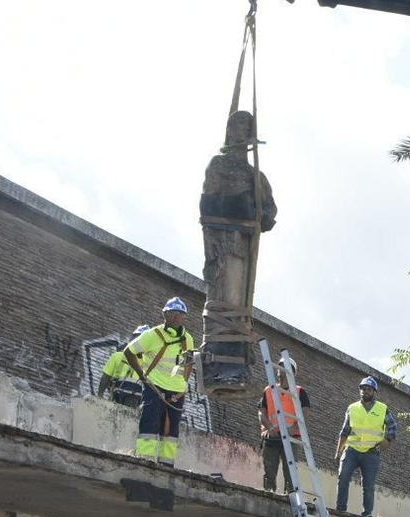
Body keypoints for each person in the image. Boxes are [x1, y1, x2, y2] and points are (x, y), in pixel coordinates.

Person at [199, 110, 276, 396]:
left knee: (240, 298)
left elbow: (270, 211)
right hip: (224, 241)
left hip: (245, 245)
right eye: (235, 125)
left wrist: (260, 211)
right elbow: (207, 202)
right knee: (223, 294)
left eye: (245, 126)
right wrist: (239, 206)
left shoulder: (256, 175)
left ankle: (238, 358)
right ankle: (219, 360)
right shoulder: (219, 164)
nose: (239, 131)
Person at [123, 298, 196, 467]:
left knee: (171, 432)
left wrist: (183, 384)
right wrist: (142, 376)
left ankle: (166, 465)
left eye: (181, 314)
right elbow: (129, 351)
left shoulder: (188, 339)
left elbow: (189, 362)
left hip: (176, 391)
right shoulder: (152, 335)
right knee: (150, 425)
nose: (177, 317)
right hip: (154, 387)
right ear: (165, 314)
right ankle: (144, 461)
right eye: (173, 313)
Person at [333, 376, 396, 517]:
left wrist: (387, 440)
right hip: (351, 450)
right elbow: (344, 431)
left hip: (371, 453)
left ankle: (367, 514)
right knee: (343, 477)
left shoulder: (382, 409)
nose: (365, 391)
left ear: (375, 392)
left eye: (369, 389)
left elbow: (393, 427)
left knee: (368, 485)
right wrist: (338, 452)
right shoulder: (352, 408)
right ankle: (340, 510)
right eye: (363, 389)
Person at [259, 363, 310, 492]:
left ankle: (290, 497)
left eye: (283, 367)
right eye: (279, 368)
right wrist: (269, 428)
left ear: (291, 372)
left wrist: (293, 429)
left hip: (291, 437)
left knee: (290, 472)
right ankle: (268, 494)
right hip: (272, 437)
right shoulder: (269, 390)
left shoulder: (299, 391)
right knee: (269, 470)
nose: (279, 370)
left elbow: (305, 415)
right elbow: (261, 412)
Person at [97, 325, 151, 407]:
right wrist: (100, 396)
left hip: (137, 404)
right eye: (136, 338)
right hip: (116, 400)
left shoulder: (149, 363)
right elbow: (106, 376)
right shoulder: (117, 356)